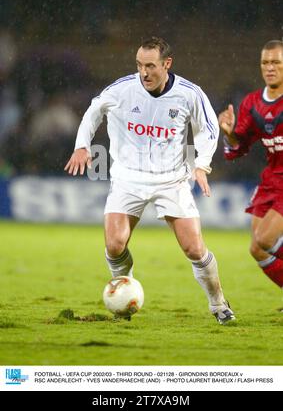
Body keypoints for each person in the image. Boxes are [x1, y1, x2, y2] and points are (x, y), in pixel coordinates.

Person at [65, 36, 235, 324]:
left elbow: (208, 129)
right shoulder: (123, 89)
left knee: (194, 248)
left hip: (172, 180)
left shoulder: (189, 94)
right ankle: (124, 291)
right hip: (128, 178)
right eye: (139, 65)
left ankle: (218, 304)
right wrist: (82, 144)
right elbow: (94, 111)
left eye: (151, 66)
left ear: (167, 64)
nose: (144, 72)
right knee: (115, 245)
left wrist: (202, 165)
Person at [218, 40, 283, 296]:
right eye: (265, 63)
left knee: (266, 240)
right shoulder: (253, 103)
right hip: (271, 180)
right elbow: (238, 147)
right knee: (257, 248)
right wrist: (231, 133)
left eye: (276, 62)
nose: (270, 68)